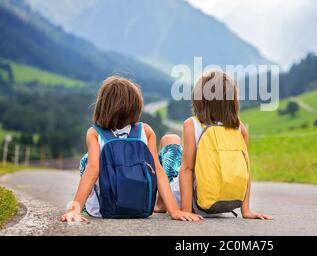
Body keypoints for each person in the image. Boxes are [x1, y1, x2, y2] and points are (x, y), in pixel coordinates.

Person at [60, 76, 203, 222]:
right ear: (136, 107)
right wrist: (174, 211)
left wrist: (74, 210)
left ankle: (82, 207)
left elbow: (92, 170)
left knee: (87, 160)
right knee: (155, 165)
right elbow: (158, 171)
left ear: (103, 106)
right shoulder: (146, 131)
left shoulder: (95, 133)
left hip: (101, 210)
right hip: (140, 208)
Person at [157, 70, 273, 220]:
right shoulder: (239, 128)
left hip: (192, 202)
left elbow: (187, 169)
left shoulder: (192, 124)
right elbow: (245, 170)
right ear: (232, 102)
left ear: (200, 99)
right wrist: (246, 210)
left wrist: (186, 210)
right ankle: (165, 204)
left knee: (170, 139)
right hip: (219, 204)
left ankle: (161, 205)